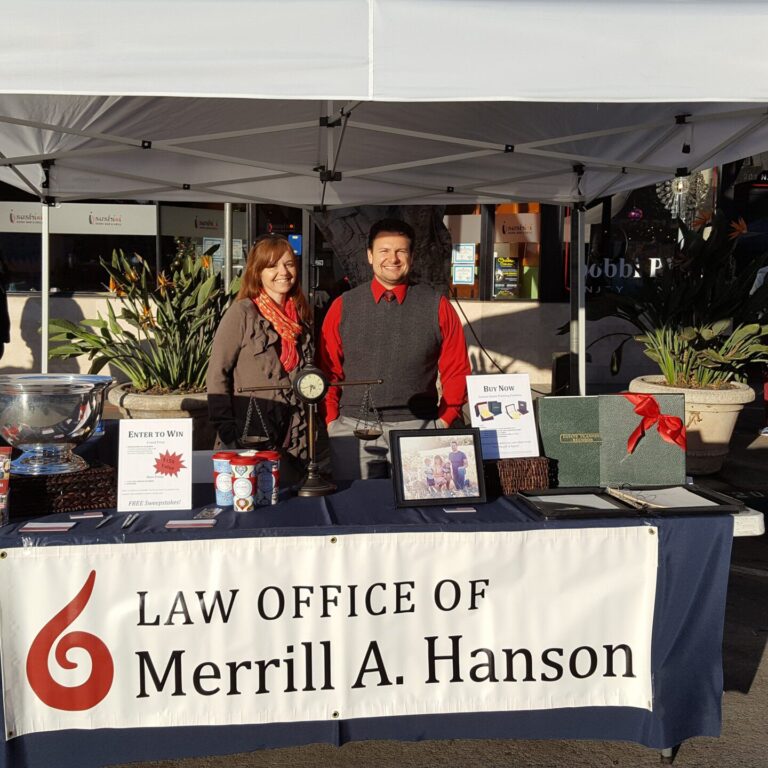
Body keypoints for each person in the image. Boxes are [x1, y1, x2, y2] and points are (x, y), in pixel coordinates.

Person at [317, 218, 470, 488]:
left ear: (411, 256)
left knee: (417, 516)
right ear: (369, 255)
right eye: (384, 251)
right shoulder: (343, 306)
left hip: (418, 428)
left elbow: (456, 368)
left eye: (401, 251)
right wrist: (331, 420)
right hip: (353, 428)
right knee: (356, 511)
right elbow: (329, 370)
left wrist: (445, 419)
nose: (393, 258)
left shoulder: (437, 306)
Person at [207, 234, 312, 478]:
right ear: (258, 272)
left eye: (288, 264)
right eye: (272, 266)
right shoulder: (242, 313)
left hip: (292, 436)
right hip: (247, 435)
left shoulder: (301, 316)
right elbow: (217, 374)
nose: (282, 272)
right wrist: (227, 432)